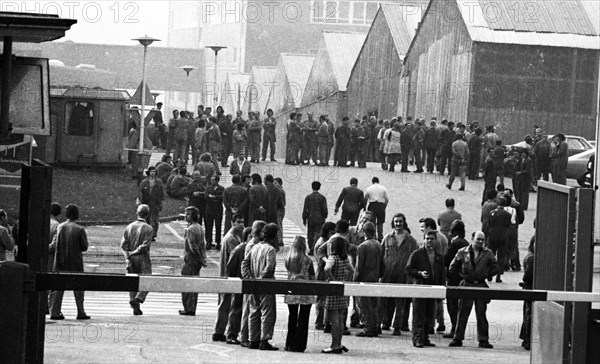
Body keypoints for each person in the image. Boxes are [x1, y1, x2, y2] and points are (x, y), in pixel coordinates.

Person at [449, 231, 500, 349]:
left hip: (481, 286)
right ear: (472, 239)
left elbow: (496, 267)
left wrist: (486, 274)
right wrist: (461, 278)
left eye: (483, 240)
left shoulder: (488, 253)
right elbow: (452, 267)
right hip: (466, 285)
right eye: (478, 239)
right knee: (462, 313)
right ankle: (457, 338)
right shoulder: (462, 252)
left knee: (481, 314)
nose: (481, 242)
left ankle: (483, 339)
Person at [48, 204, 90, 320]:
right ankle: (80, 311)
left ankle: (54, 312)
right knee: (78, 287)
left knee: (57, 287)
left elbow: (55, 243)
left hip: (60, 260)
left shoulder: (60, 227)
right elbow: (84, 247)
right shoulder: (80, 229)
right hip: (75, 261)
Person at [380, 213, 419, 335]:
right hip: (388, 273)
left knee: (400, 301)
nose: (398, 224)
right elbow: (381, 255)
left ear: (404, 222)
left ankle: (397, 326)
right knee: (387, 300)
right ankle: (385, 322)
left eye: (400, 221)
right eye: (396, 221)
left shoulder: (411, 240)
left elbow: (415, 257)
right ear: (393, 223)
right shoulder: (387, 238)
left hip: (403, 275)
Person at [406, 230, 445, 348]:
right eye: (427, 238)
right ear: (423, 240)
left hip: (433, 289)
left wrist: (442, 289)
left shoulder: (439, 256)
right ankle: (417, 339)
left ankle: (425, 338)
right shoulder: (416, 254)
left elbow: (442, 273)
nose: (429, 241)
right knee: (419, 314)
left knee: (430, 315)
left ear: (435, 240)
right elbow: (408, 269)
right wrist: (419, 273)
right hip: (420, 287)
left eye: (432, 239)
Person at [244, 223, 279, 350]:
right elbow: (269, 267)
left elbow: (245, 263)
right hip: (266, 284)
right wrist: (261, 278)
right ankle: (264, 339)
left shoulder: (255, 247)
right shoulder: (270, 250)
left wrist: (249, 278)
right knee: (267, 312)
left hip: (254, 283)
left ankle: (253, 339)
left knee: (254, 311)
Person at [213, 213, 245, 342]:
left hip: (227, 275)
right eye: (238, 222)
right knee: (227, 305)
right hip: (229, 276)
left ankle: (219, 331)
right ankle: (220, 332)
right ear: (232, 223)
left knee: (225, 304)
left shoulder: (234, 236)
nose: (241, 224)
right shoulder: (231, 238)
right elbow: (236, 258)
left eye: (242, 222)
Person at [284, 236, 316, 352]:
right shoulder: (307, 260)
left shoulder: (288, 259)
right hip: (305, 292)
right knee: (303, 318)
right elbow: (312, 276)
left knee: (292, 317)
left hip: (291, 291)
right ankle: (300, 344)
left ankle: (289, 343)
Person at [322, 236, 354, 354]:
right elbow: (352, 271)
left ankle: (334, 345)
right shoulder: (345, 258)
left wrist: (332, 279)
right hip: (342, 290)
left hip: (333, 290)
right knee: (340, 319)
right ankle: (339, 343)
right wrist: (346, 280)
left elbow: (327, 269)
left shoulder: (332, 257)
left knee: (334, 320)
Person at [121, 204, 154, 316]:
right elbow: (144, 246)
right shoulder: (149, 228)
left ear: (137, 213)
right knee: (147, 280)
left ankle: (134, 305)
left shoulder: (129, 227)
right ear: (147, 214)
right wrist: (135, 252)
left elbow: (123, 245)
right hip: (142, 257)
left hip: (130, 257)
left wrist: (127, 256)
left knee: (132, 282)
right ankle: (138, 298)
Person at [224, 225, 254, 345]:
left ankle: (237, 333)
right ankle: (231, 334)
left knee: (242, 310)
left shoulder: (248, 249)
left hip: (244, 283)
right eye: (250, 236)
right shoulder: (239, 249)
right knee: (236, 309)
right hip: (238, 282)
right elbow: (230, 267)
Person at [353, 222, 384, 337]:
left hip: (364, 280)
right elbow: (382, 264)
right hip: (375, 278)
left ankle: (368, 328)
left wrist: (355, 280)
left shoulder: (362, 247)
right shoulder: (378, 245)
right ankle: (375, 326)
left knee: (365, 306)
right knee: (374, 305)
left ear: (364, 232)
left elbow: (358, 267)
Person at [443, 219, 469, 339]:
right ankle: (458, 330)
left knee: (452, 305)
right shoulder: (465, 242)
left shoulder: (455, 243)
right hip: (463, 278)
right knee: (460, 306)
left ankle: (455, 329)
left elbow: (446, 259)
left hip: (453, 278)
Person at [179, 206, 206, 316]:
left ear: (194, 216)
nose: (186, 216)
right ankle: (192, 306)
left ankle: (188, 307)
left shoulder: (190, 229)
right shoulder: (199, 227)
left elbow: (192, 246)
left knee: (186, 283)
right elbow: (203, 245)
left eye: (188, 214)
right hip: (197, 261)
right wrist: (203, 258)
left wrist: (199, 257)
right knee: (194, 284)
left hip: (190, 259)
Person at [314, 222, 337, 330]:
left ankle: (323, 321)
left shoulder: (324, 241)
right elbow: (320, 260)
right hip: (322, 272)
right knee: (321, 298)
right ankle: (319, 321)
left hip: (323, 272)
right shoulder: (322, 243)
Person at [485, 197, 512, 283]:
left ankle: (489, 274)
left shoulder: (491, 213)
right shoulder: (508, 215)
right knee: (501, 257)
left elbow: (488, 224)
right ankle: (498, 276)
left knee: (490, 255)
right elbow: (508, 225)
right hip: (503, 237)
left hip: (492, 236)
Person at [138, 166, 165, 240]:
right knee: (147, 219)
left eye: (154, 171)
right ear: (148, 172)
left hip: (156, 203)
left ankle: (153, 234)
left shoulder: (159, 182)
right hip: (146, 202)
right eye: (151, 171)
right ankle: (146, 234)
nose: (153, 173)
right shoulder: (144, 182)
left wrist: (160, 202)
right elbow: (140, 192)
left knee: (155, 220)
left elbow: (162, 193)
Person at [302, 181, 328, 255]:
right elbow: (325, 210)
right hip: (320, 219)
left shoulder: (308, 197)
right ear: (319, 187)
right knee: (318, 234)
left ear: (312, 187)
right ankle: (315, 248)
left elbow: (305, 209)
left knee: (310, 234)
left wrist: (304, 218)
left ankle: (310, 249)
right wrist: (325, 216)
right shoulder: (322, 198)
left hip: (310, 218)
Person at [519, 236, 535, 350]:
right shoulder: (533, 258)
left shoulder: (529, 256)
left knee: (527, 313)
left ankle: (525, 338)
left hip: (527, 288)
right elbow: (527, 276)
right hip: (531, 287)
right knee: (529, 314)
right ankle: (528, 340)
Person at [363, 177, 389, 241]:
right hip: (381, 206)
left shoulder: (369, 188)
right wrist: (384, 207)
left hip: (372, 206)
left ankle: (373, 237)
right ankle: (380, 237)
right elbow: (387, 200)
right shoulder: (383, 188)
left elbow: (365, 198)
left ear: (372, 182)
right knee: (380, 223)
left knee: (372, 223)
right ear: (378, 181)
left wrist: (365, 208)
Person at [204, 174, 225, 250]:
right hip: (209, 209)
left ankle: (218, 242)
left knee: (218, 226)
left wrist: (213, 197)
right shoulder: (208, 188)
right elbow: (206, 197)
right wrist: (215, 197)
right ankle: (208, 241)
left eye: (213, 180)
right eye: (211, 180)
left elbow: (222, 197)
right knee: (209, 226)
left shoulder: (221, 188)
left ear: (217, 180)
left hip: (218, 209)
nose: (212, 182)